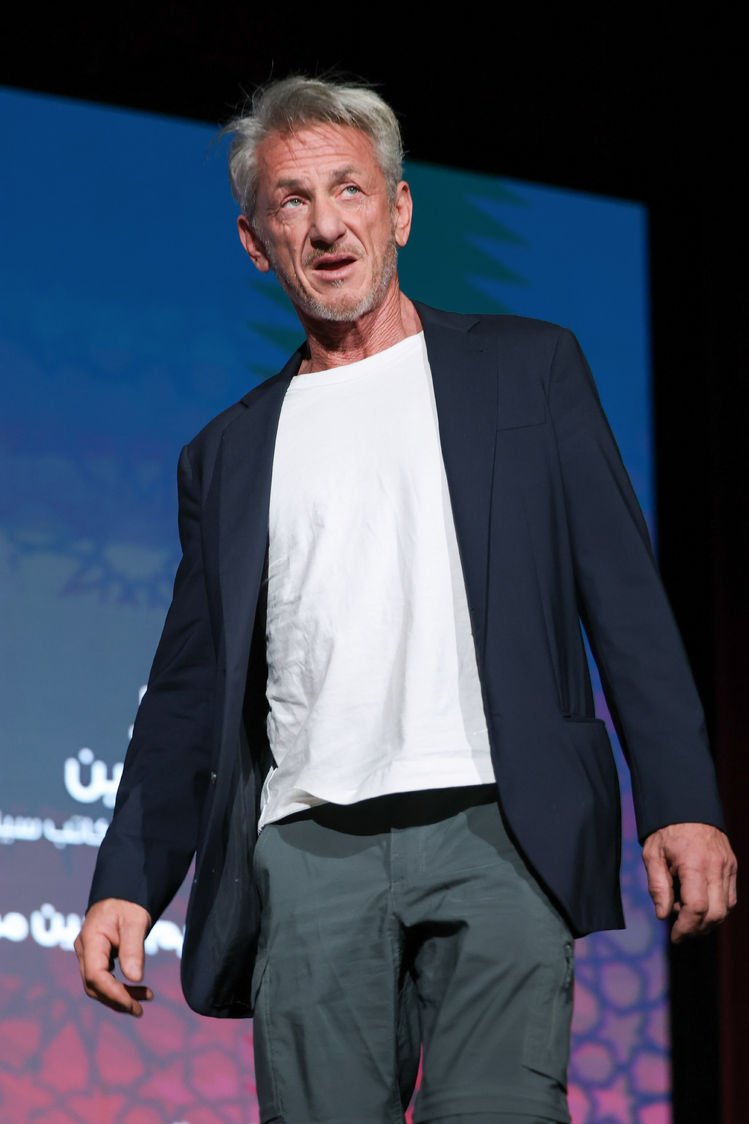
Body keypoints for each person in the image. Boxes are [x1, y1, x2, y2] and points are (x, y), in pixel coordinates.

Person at [75, 76, 736, 1123]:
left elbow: (623, 598)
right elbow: (188, 691)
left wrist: (681, 797)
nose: (326, 224)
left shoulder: (527, 370)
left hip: (499, 823)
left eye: (349, 189)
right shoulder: (228, 452)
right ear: (255, 242)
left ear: (399, 209)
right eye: (292, 200)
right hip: (306, 846)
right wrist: (127, 879)